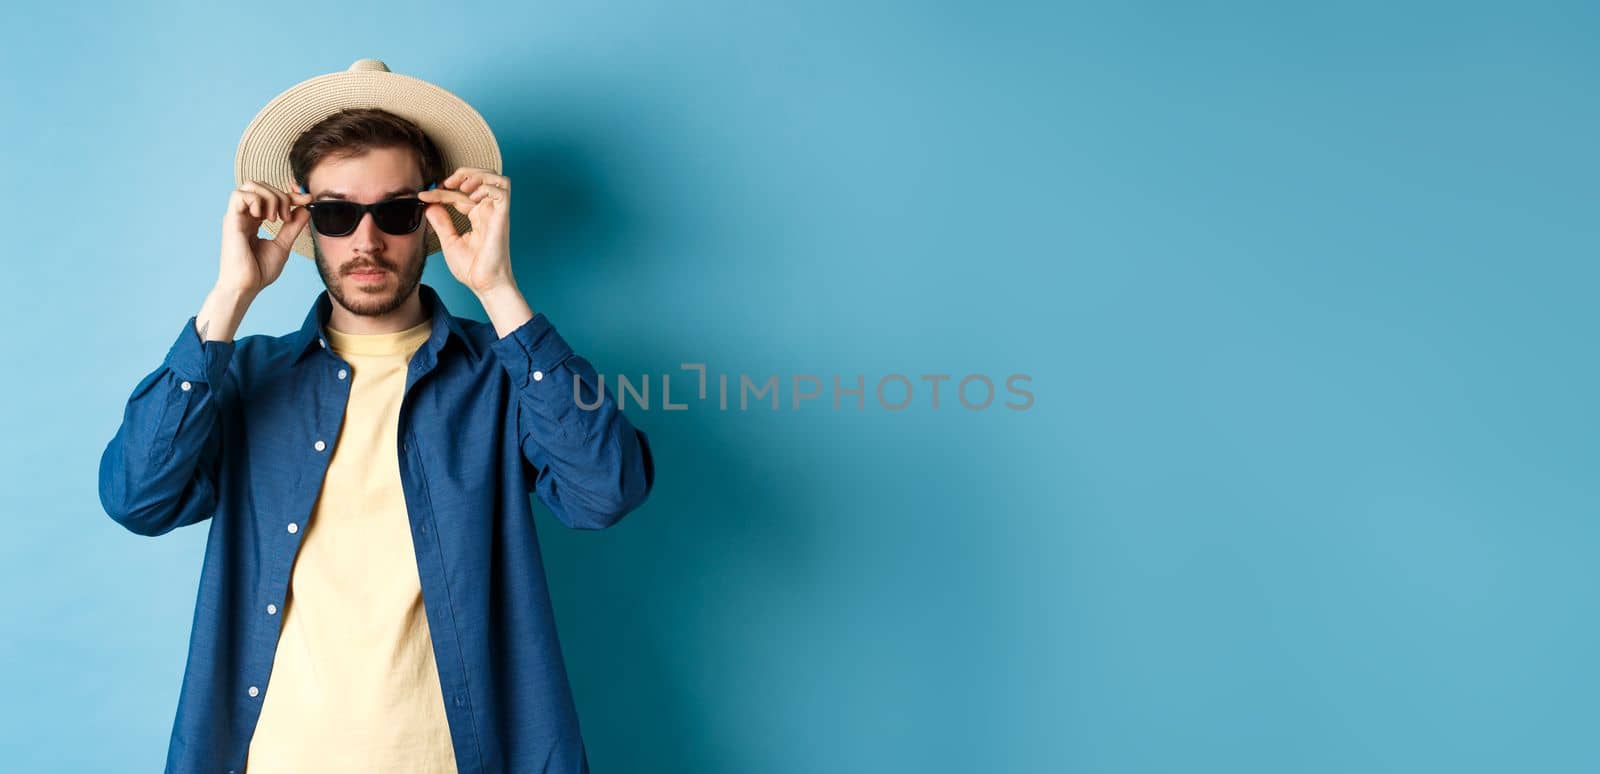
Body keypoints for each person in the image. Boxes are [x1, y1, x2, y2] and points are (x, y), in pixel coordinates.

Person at [96, 59, 655, 774]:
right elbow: (137, 498)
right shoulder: (242, 376)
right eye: (335, 214)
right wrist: (229, 298)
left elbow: (606, 491)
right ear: (304, 223)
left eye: (393, 212)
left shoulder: (501, 375)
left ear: (429, 218)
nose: (366, 241)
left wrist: (498, 289)